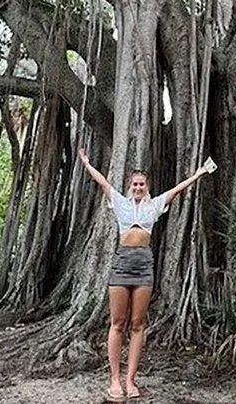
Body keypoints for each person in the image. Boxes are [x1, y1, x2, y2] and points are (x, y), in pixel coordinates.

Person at [78, 149, 211, 402]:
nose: (138, 187)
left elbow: (178, 189)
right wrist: (86, 163)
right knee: (118, 323)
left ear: (146, 187)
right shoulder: (120, 203)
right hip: (122, 262)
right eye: (135, 184)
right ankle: (115, 379)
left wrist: (198, 174)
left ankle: (130, 379)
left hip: (144, 264)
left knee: (138, 324)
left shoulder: (155, 205)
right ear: (131, 186)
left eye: (142, 184)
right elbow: (102, 182)